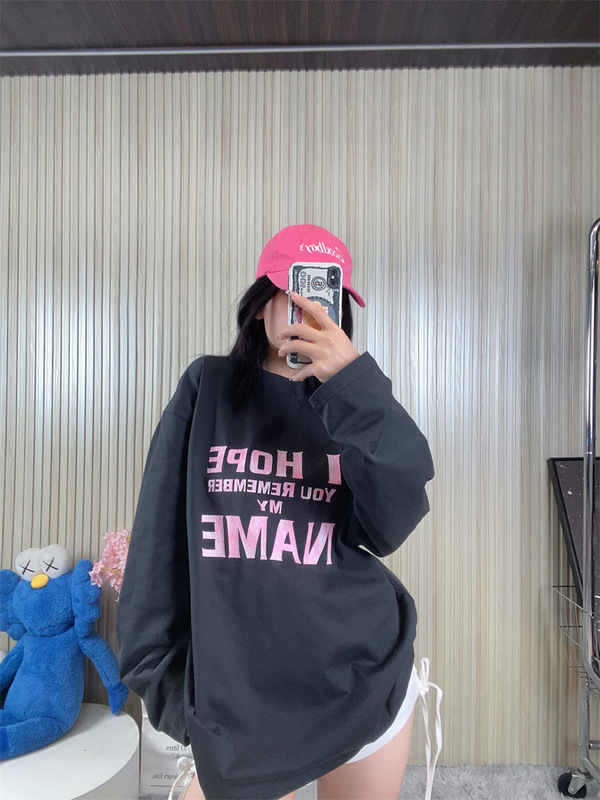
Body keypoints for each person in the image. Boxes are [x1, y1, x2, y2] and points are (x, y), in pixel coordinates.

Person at [117, 224, 435, 800]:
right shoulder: (208, 387)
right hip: (243, 705)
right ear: (262, 302)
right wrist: (168, 688)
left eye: (326, 296)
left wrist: (353, 386)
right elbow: (157, 540)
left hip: (359, 675)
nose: (311, 311)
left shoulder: (352, 403)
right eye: (296, 294)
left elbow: (394, 519)